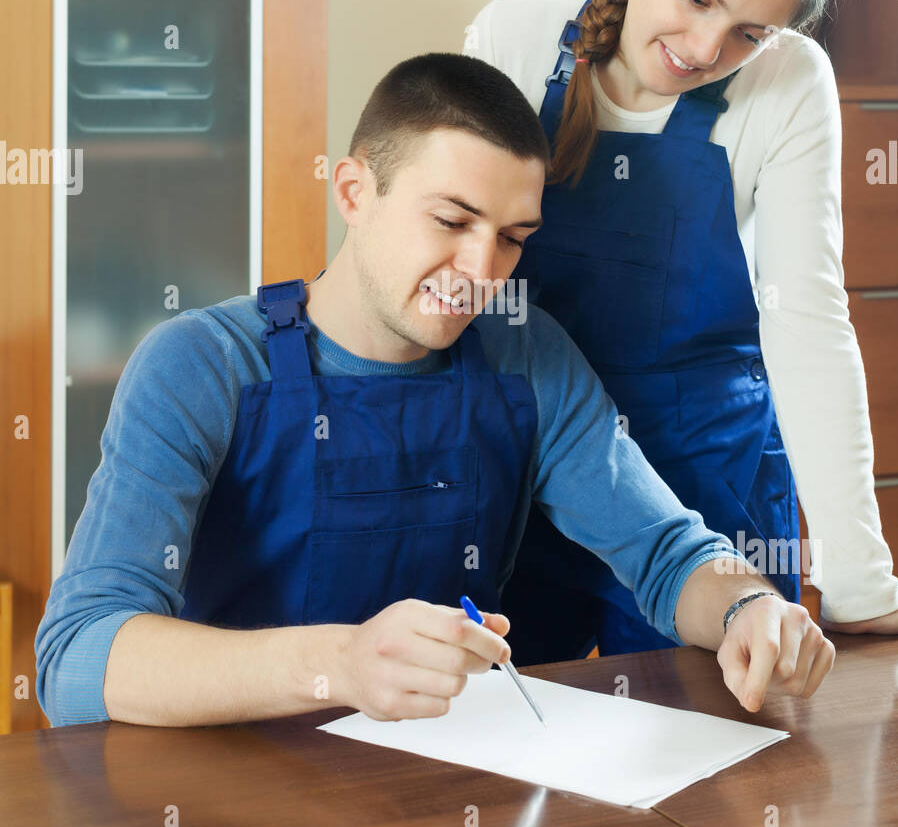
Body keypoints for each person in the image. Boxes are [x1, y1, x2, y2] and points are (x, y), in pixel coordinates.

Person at [35, 53, 835, 730]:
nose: (482, 272)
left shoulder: (528, 358)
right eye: (451, 221)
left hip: (445, 796)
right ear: (353, 192)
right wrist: (341, 665)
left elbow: (664, 554)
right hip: (229, 804)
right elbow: (74, 658)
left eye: (512, 238)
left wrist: (746, 607)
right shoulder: (199, 365)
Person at [465, 0, 898, 664]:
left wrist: (858, 583)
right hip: (528, 468)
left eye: (749, 30)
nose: (705, 48)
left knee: (722, 759)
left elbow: (807, 325)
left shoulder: (788, 81)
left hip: (709, 482)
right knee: (503, 751)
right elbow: (443, 261)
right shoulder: (516, 35)